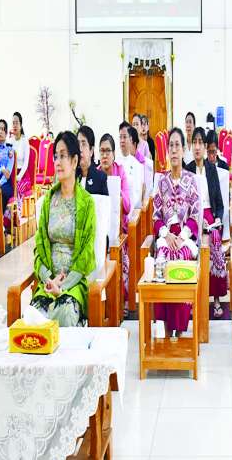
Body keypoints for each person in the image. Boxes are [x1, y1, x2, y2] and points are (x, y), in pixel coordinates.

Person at [31, 131, 96, 327]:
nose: (57, 162)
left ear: (75, 161)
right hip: (48, 283)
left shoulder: (86, 203)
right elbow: (38, 249)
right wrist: (49, 280)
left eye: (63, 156)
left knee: (65, 314)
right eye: (55, 157)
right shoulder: (48, 201)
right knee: (33, 318)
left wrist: (63, 285)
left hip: (73, 284)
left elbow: (87, 253)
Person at [153, 128, 202, 338]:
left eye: (177, 145)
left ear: (183, 150)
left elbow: (195, 215)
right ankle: (166, 329)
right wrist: (166, 234)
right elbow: (156, 217)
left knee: (180, 259)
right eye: (170, 145)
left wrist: (182, 236)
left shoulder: (191, 180)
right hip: (166, 238)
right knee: (162, 259)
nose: (173, 150)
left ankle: (180, 330)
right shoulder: (161, 182)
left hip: (185, 239)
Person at [186, 128, 227, 318]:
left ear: (204, 146)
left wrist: (218, 218)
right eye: (194, 142)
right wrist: (196, 219)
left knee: (215, 239)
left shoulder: (211, 169)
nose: (197, 146)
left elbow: (219, 203)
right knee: (191, 241)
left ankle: (216, 298)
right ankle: (192, 298)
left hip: (210, 217)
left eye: (200, 143)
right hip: (192, 217)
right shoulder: (187, 169)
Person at [98, 133, 133, 309]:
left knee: (122, 254)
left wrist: (116, 190)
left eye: (108, 151)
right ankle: (101, 299)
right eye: (102, 151)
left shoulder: (120, 172)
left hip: (119, 229)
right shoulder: (96, 174)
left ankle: (122, 300)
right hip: (100, 230)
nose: (104, 155)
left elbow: (127, 205)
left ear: (113, 154)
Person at [118, 122, 145, 209]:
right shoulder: (115, 163)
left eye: (124, 137)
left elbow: (138, 194)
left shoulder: (138, 166)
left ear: (130, 139)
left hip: (132, 211)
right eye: (120, 137)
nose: (122, 140)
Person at [0, 119, 15, 210]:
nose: (0, 131)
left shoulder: (10, 149)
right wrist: (1, 170)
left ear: (6, 133)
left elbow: (8, 174)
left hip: (5, 182)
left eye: (2, 129)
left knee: (1, 193)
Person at [77, 125, 108, 196]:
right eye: (78, 144)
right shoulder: (72, 176)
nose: (80, 149)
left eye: (83, 144)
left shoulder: (100, 178)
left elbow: (104, 202)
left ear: (91, 150)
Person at [9, 111, 32, 199]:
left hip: (23, 176)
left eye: (17, 123)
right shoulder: (10, 141)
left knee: (17, 188)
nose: (14, 125)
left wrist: (19, 177)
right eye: (13, 123)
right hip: (12, 174)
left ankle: (19, 208)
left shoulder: (25, 141)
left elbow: (26, 163)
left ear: (21, 125)